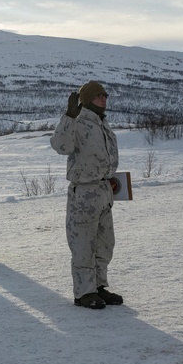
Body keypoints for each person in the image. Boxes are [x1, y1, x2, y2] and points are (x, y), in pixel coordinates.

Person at [50, 81, 123, 309]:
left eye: (105, 95)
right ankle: (84, 292)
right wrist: (69, 117)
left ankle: (99, 286)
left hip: (103, 190)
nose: (103, 99)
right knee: (83, 244)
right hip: (84, 192)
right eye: (98, 96)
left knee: (105, 244)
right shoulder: (79, 122)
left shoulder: (102, 123)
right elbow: (60, 146)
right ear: (87, 99)